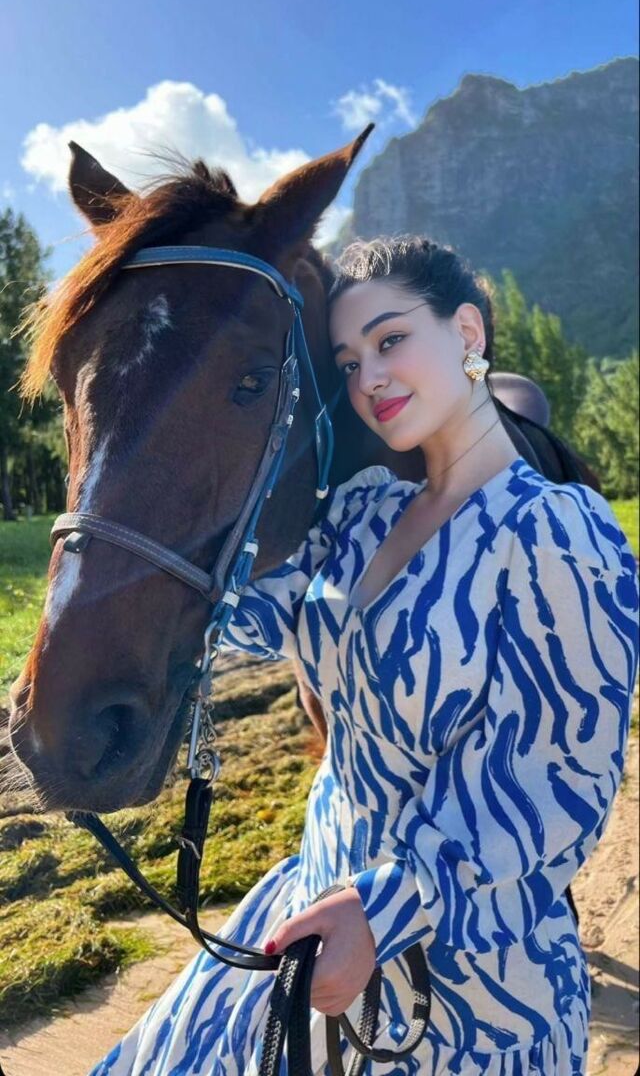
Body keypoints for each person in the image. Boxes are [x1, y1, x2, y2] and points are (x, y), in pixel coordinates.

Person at [91, 237, 639, 1076]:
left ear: (466, 331)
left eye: (390, 340)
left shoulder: (557, 534)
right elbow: (240, 618)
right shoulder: (362, 512)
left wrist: (380, 912)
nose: (369, 378)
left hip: (467, 985)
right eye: (349, 362)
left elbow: (552, 781)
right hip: (314, 910)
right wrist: (119, 573)